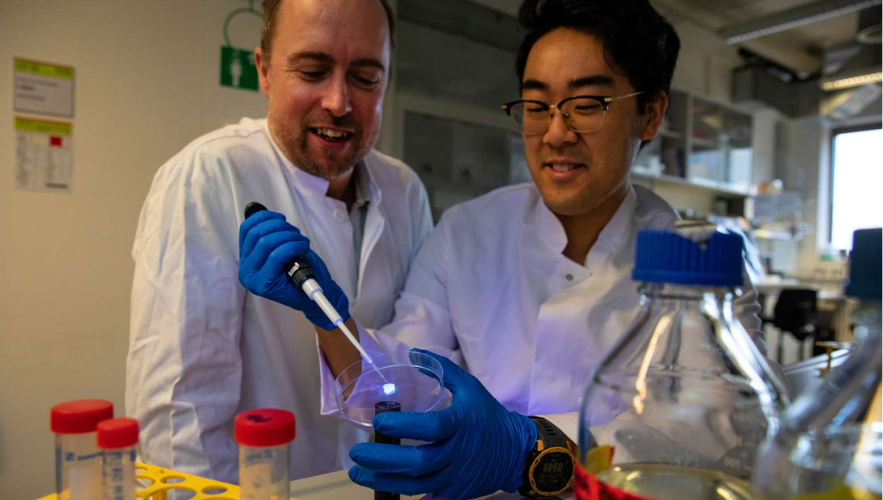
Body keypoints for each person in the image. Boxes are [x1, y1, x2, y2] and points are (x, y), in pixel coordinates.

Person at [239, 0, 770, 498]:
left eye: (587, 104)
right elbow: (403, 383)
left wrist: (530, 451)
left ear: (651, 114)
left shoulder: (699, 262)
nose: (556, 133)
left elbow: (715, 442)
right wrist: (330, 318)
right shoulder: (467, 232)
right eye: (536, 106)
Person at [125, 0, 432, 484]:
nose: (338, 102)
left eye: (366, 77)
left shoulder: (405, 191)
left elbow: (417, 368)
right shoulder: (211, 174)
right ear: (265, 71)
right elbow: (180, 408)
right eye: (312, 70)